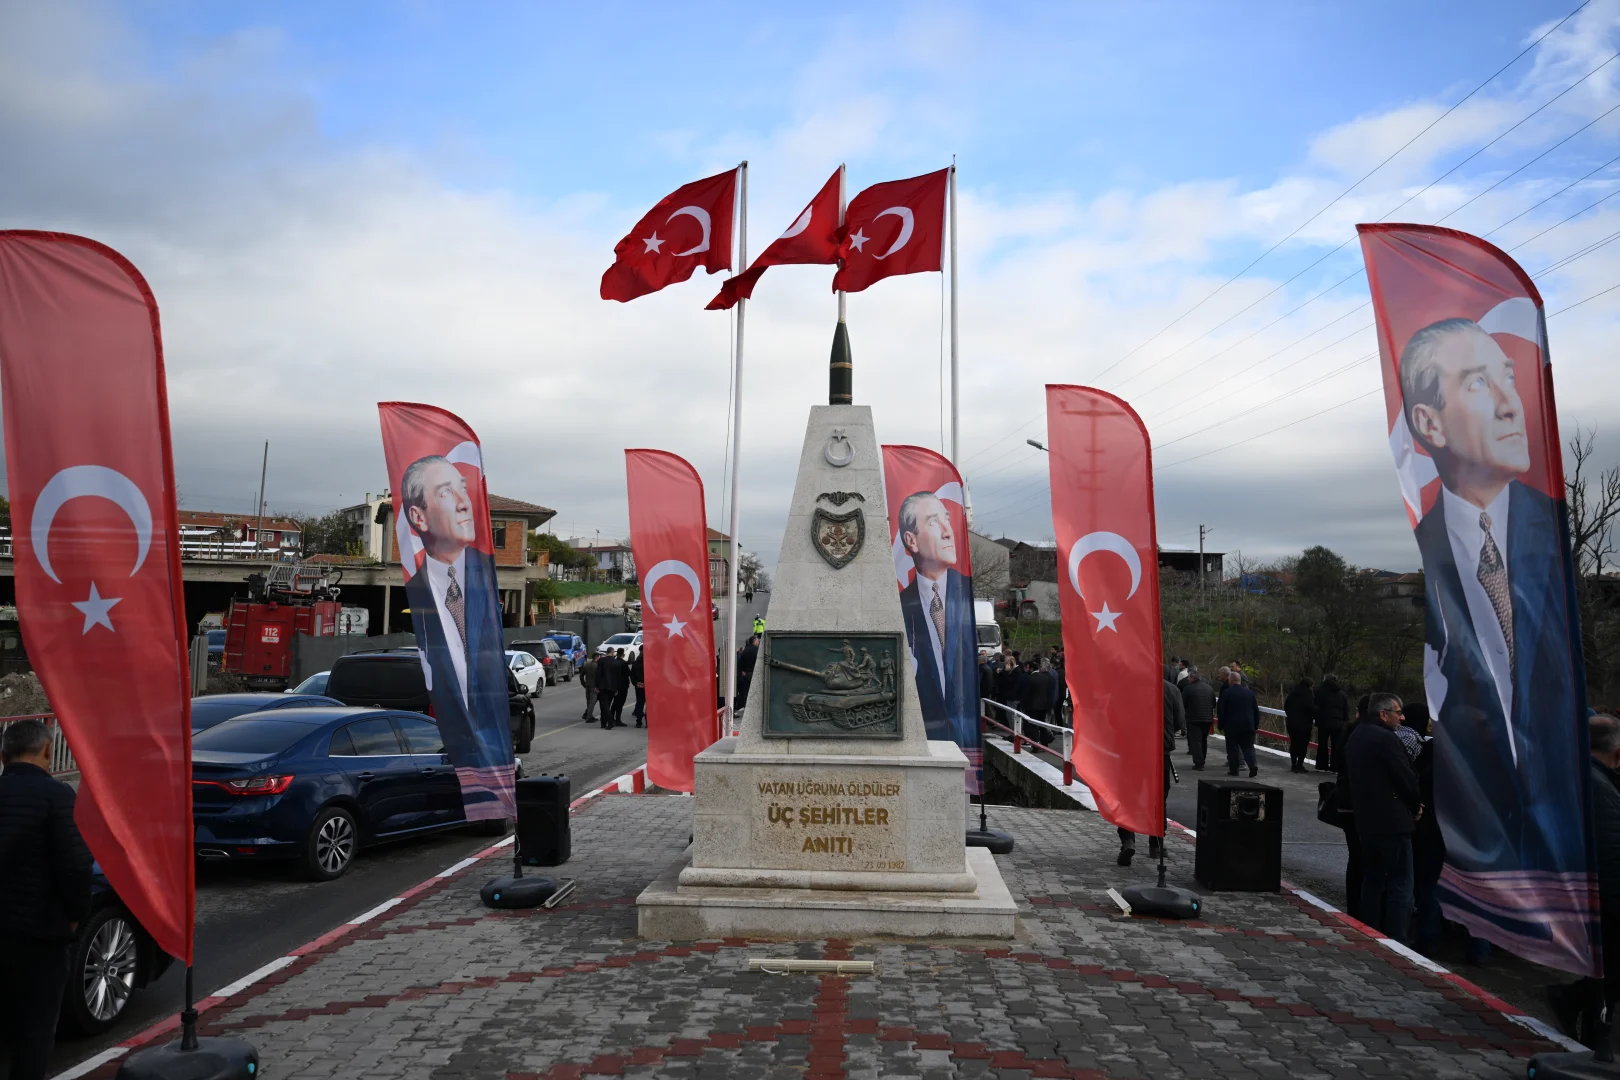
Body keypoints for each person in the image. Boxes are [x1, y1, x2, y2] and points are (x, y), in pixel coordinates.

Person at [1402, 318, 1586, 880]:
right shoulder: (1429, 546)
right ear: (1429, 421)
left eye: (1509, 378)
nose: (1513, 404)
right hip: (1478, 835)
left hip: (1561, 830)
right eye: (1479, 383)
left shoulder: (1553, 532)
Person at [398, 455, 508, 770]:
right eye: (446, 493)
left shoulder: (486, 579)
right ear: (418, 517)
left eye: (463, 489)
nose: (465, 503)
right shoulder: (418, 592)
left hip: (490, 755)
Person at [0, 720, 92, 1080]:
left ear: (3, 756)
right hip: (39, 938)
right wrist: (75, 915)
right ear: (48, 753)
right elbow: (75, 865)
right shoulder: (57, 797)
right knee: (34, 1032)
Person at [1549, 713, 1620, 1055]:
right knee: (1609, 969)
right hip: (1598, 894)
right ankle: (1595, 1036)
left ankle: (1583, 1014)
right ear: (1617, 752)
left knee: (1605, 968)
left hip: (1581, 890)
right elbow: (1609, 855)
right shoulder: (1598, 788)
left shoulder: (1585, 779)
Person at [896, 492, 979, 746]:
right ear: (911, 540)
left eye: (947, 520)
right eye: (934, 522)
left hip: (966, 740)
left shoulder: (966, 595)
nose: (948, 532)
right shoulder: (898, 607)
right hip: (921, 739)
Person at [1344, 693, 1422, 942]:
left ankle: (1369, 931)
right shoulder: (1386, 739)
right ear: (1383, 714)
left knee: (1373, 880)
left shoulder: (1357, 735)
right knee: (1401, 883)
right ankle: (1397, 939)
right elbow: (1406, 777)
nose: (1402, 717)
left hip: (1366, 821)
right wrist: (1415, 805)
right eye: (1398, 712)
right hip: (1393, 822)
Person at [1118, 678, 1182, 866]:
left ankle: (1128, 839)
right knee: (1158, 799)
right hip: (1161, 751)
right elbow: (1179, 721)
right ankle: (1157, 843)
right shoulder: (1171, 689)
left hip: (1133, 751)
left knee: (1128, 798)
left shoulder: (1129, 687)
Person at [1217, 667, 1259, 777]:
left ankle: (1234, 770)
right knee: (1248, 747)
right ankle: (1252, 764)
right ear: (1240, 681)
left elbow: (1222, 710)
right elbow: (1256, 711)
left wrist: (1220, 724)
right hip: (1248, 725)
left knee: (1232, 748)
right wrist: (1255, 725)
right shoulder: (1250, 693)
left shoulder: (1227, 693)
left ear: (1230, 680)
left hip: (1232, 726)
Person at [1180, 666, 1216, 771]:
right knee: (1203, 739)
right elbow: (1213, 703)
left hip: (1193, 719)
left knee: (1196, 741)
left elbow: (1183, 704)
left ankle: (1198, 762)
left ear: (1192, 678)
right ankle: (1202, 759)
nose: (1187, 679)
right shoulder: (1209, 688)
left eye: (1188, 678)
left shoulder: (1188, 689)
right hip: (1207, 718)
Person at [1313, 674, 1350, 771]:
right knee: (1336, 745)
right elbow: (1345, 709)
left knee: (1322, 744)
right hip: (1338, 722)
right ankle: (1335, 766)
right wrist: (1345, 720)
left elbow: (1316, 705)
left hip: (1323, 722)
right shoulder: (1341, 694)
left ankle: (1322, 764)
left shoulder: (1320, 691)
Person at [1283, 677, 1317, 773]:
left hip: (1292, 723)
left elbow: (1286, 706)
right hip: (1304, 724)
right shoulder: (1308, 695)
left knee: (1294, 743)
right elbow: (1311, 708)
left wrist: (1291, 715)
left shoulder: (1292, 693)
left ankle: (1293, 763)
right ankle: (1300, 764)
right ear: (1309, 686)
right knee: (1303, 744)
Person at [736, 635, 759, 711]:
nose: (758, 641)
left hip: (745, 673)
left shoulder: (745, 650)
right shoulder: (757, 650)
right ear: (754, 641)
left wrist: (742, 671)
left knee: (745, 690)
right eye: (757, 640)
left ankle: (744, 704)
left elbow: (741, 662)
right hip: (754, 672)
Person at [580, 652, 600, 722]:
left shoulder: (587, 665)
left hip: (587, 685)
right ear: (597, 657)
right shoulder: (597, 666)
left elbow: (581, 675)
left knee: (589, 701)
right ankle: (589, 717)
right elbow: (599, 677)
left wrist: (583, 684)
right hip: (594, 686)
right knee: (592, 702)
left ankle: (589, 715)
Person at [630, 647, 646, 728]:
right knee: (649, 705)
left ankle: (638, 722)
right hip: (649, 686)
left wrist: (636, 683)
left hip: (639, 685)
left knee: (640, 703)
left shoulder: (635, 663)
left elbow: (632, 675)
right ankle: (648, 722)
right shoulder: (651, 662)